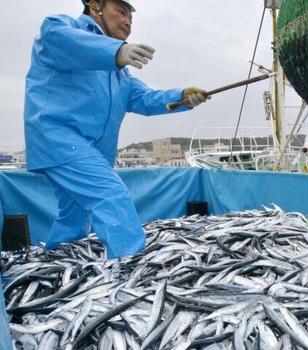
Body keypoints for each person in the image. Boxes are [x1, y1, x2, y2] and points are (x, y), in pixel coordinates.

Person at [24, 0, 208, 259]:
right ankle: (128, 275)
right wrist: (117, 52)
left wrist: (182, 97)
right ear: (94, 4)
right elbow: (64, 41)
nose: (127, 21)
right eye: (120, 12)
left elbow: (145, 98)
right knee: (111, 196)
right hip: (58, 139)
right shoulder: (60, 28)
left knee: (75, 215)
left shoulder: (120, 74)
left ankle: (55, 261)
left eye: (131, 17)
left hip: (89, 150)